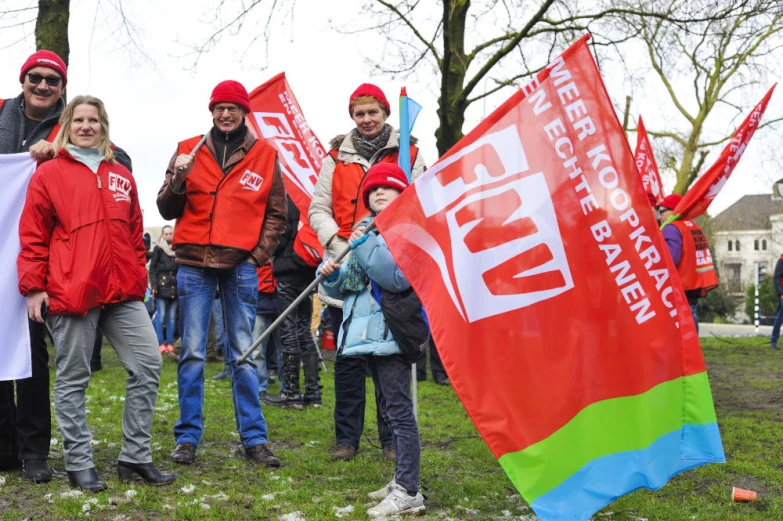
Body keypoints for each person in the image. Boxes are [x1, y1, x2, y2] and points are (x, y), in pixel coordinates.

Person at [17, 95, 174, 491]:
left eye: (94, 121)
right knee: (74, 377)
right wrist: (35, 287)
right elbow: (33, 236)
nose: (87, 126)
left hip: (123, 292)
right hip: (72, 290)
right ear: (68, 125)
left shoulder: (121, 173)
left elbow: (136, 232)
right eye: (79, 120)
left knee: (147, 366)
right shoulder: (48, 174)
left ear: (104, 127)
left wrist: (139, 274)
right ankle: (79, 463)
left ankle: (135, 458)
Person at [0, 50, 130, 484]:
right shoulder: (1, 114)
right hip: (3, 252)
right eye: (35, 77)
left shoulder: (72, 125)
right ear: (22, 80)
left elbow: (116, 164)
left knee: (34, 352)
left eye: (52, 81)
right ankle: (4, 446)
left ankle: (35, 449)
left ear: (62, 88)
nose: (42, 86)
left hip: (48, 261)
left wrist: (58, 153)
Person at [157, 80, 287, 467]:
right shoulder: (187, 149)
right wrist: (178, 177)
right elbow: (166, 209)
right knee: (193, 353)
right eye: (219, 108)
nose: (226, 114)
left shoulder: (265, 154)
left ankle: (254, 439)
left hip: (240, 266)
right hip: (194, 264)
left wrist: (255, 256)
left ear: (245, 112)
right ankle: (187, 438)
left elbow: (277, 215)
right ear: (211, 111)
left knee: (244, 354)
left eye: (233, 108)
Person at [309, 82, 425, 461]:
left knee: (388, 358)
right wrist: (343, 250)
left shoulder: (409, 152)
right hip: (347, 268)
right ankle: (347, 438)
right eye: (359, 113)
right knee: (348, 360)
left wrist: (388, 248)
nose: (366, 119)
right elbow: (318, 209)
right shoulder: (335, 157)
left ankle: (392, 439)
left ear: (385, 113)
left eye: (372, 112)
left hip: (392, 266)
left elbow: (420, 203)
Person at [319, 163, 425, 517]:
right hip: (369, 335)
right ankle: (400, 481)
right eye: (373, 190)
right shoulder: (367, 231)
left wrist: (361, 244)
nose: (379, 193)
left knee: (399, 412)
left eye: (388, 188)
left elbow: (394, 278)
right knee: (390, 408)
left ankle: (410, 489)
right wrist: (329, 276)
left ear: (402, 194)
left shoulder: (407, 230)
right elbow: (349, 284)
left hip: (393, 334)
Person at [264, 196, 321, 409]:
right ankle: (313, 393)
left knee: (289, 331)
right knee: (304, 331)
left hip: (288, 268)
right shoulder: (306, 195)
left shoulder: (288, 199)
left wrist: (269, 249)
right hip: (306, 268)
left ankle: (291, 393)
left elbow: (282, 233)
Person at [658, 193, 719, 332]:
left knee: (682, 325)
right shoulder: (692, 226)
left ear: (674, 210)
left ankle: (687, 353)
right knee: (692, 317)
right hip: (695, 283)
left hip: (681, 285)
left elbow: (671, 259)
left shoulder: (671, 228)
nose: (659, 216)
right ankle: (694, 351)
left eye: (662, 212)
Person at [149, 225, 179, 354]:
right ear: (162, 235)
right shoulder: (158, 249)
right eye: (166, 234)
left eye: (171, 233)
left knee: (172, 317)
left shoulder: (179, 249)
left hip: (175, 287)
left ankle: (170, 343)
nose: (168, 236)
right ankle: (160, 343)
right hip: (161, 287)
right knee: (161, 317)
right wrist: (154, 285)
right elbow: (152, 269)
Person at [770, 254, 783, 350]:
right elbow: (776, 278)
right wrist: (781, 293)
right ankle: (773, 341)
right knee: (780, 318)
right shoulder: (781, 261)